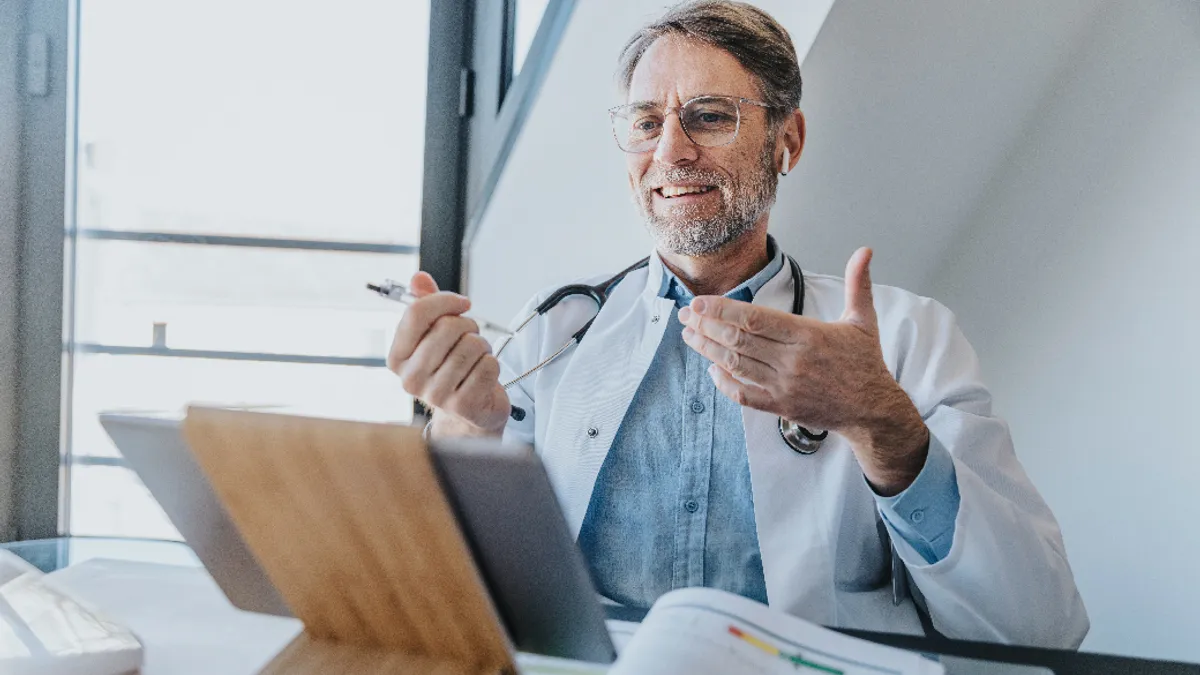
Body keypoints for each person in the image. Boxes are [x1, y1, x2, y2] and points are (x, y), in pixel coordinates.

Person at [387, 0, 1088, 648]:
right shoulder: (552, 331)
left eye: (711, 115)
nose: (671, 152)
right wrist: (465, 429)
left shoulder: (907, 338)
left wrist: (883, 424)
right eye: (645, 122)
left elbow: (1039, 625)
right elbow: (458, 594)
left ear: (787, 140)